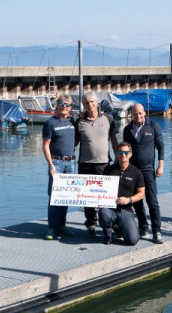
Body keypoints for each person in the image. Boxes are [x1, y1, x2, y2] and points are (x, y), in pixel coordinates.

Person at [75, 91, 119, 237]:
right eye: (86, 103)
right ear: (83, 105)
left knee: (105, 196)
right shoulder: (79, 121)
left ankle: (108, 222)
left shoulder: (108, 118)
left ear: (97, 103)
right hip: (85, 163)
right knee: (88, 197)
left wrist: (118, 156)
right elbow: (73, 142)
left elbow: (114, 139)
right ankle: (91, 224)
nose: (90, 105)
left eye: (92, 102)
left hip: (104, 163)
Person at [123, 103, 165, 243]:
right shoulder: (127, 129)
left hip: (148, 169)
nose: (138, 116)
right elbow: (125, 150)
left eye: (140, 113)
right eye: (135, 113)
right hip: (134, 171)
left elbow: (161, 147)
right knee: (137, 201)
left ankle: (156, 230)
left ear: (144, 113)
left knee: (152, 201)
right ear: (131, 114)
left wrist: (160, 166)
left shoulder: (153, 126)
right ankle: (143, 227)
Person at [42, 94, 77, 240]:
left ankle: (62, 226)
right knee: (53, 197)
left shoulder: (72, 120)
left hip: (71, 163)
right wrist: (51, 165)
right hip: (57, 163)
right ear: (57, 105)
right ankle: (51, 228)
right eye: (62, 104)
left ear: (71, 108)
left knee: (66, 197)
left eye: (68, 105)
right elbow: (45, 145)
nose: (64, 107)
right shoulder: (50, 123)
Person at [99, 142, 145, 245]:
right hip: (110, 208)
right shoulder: (109, 170)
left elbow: (141, 193)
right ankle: (107, 236)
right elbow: (100, 188)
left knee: (133, 240)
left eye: (126, 152)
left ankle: (117, 227)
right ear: (117, 154)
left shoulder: (136, 172)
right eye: (120, 152)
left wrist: (129, 200)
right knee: (103, 213)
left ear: (130, 154)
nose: (123, 154)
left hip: (125, 210)